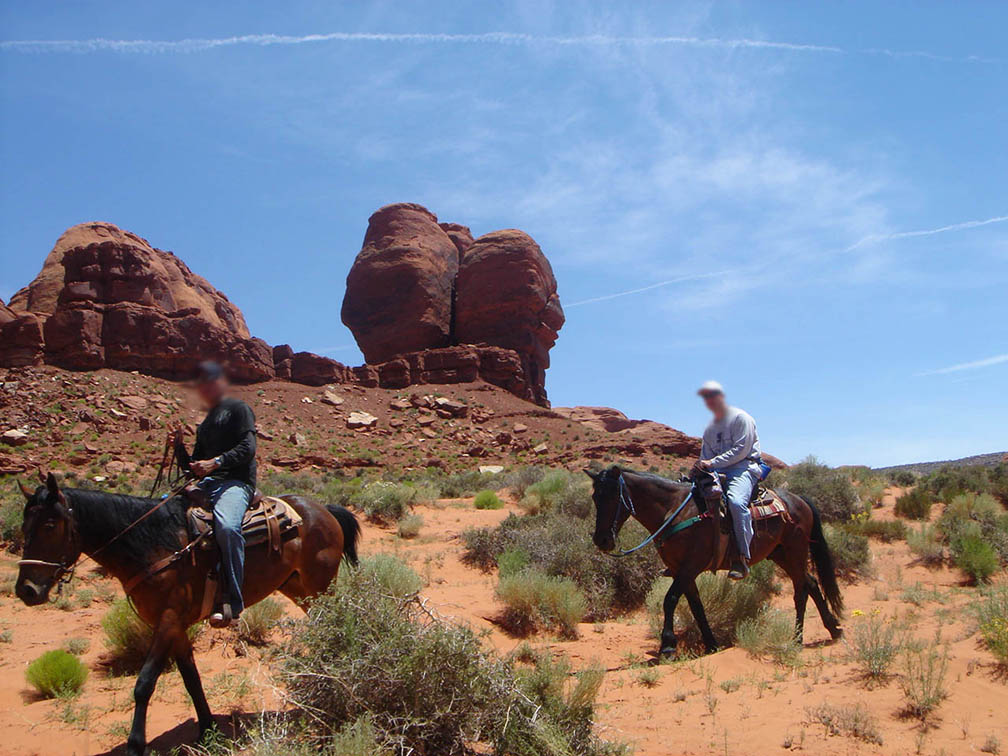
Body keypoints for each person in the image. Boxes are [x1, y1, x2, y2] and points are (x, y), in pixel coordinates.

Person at [172, 361, 257, 627]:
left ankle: (232, 600)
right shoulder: (206, 423)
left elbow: (248, 447)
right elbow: (194, 467)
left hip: (235, 481)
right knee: (164, 512)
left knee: (228, 527)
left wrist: (216, 462)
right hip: (208, 482)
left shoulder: (238, 409)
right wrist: (178, 448)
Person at [694, 380, 762, 580]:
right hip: (717, 470)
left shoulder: (742, 418)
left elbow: (741, 450)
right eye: (706, 398)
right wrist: (702, 466)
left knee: (735, 502)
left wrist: (711, 462)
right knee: (690, 498)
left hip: (742, 468)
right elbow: (704, 455)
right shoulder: (710, 429)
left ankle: (741, 557)